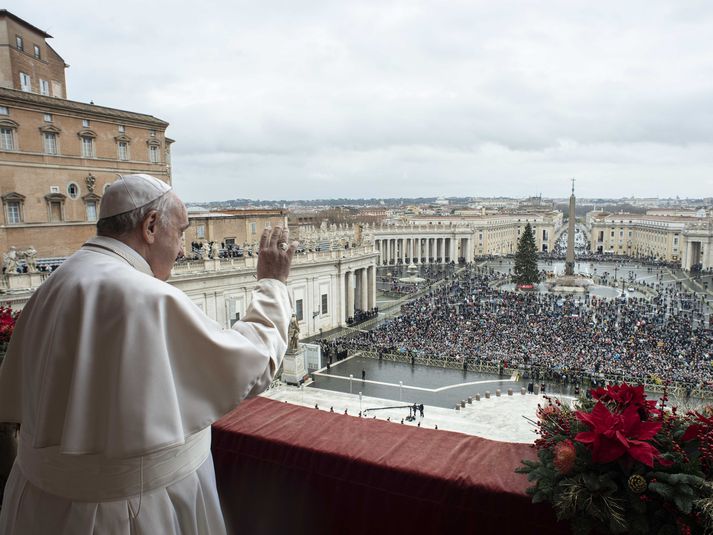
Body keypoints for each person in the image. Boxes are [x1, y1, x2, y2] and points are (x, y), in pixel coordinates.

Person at [0, 174, 297, 535]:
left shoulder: (54, 284)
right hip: (133, 514)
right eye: (183, 231)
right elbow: (255, 363)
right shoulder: (149, 297)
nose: (184, 249)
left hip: (38, 507)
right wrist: (273, 284)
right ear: (151, 226)